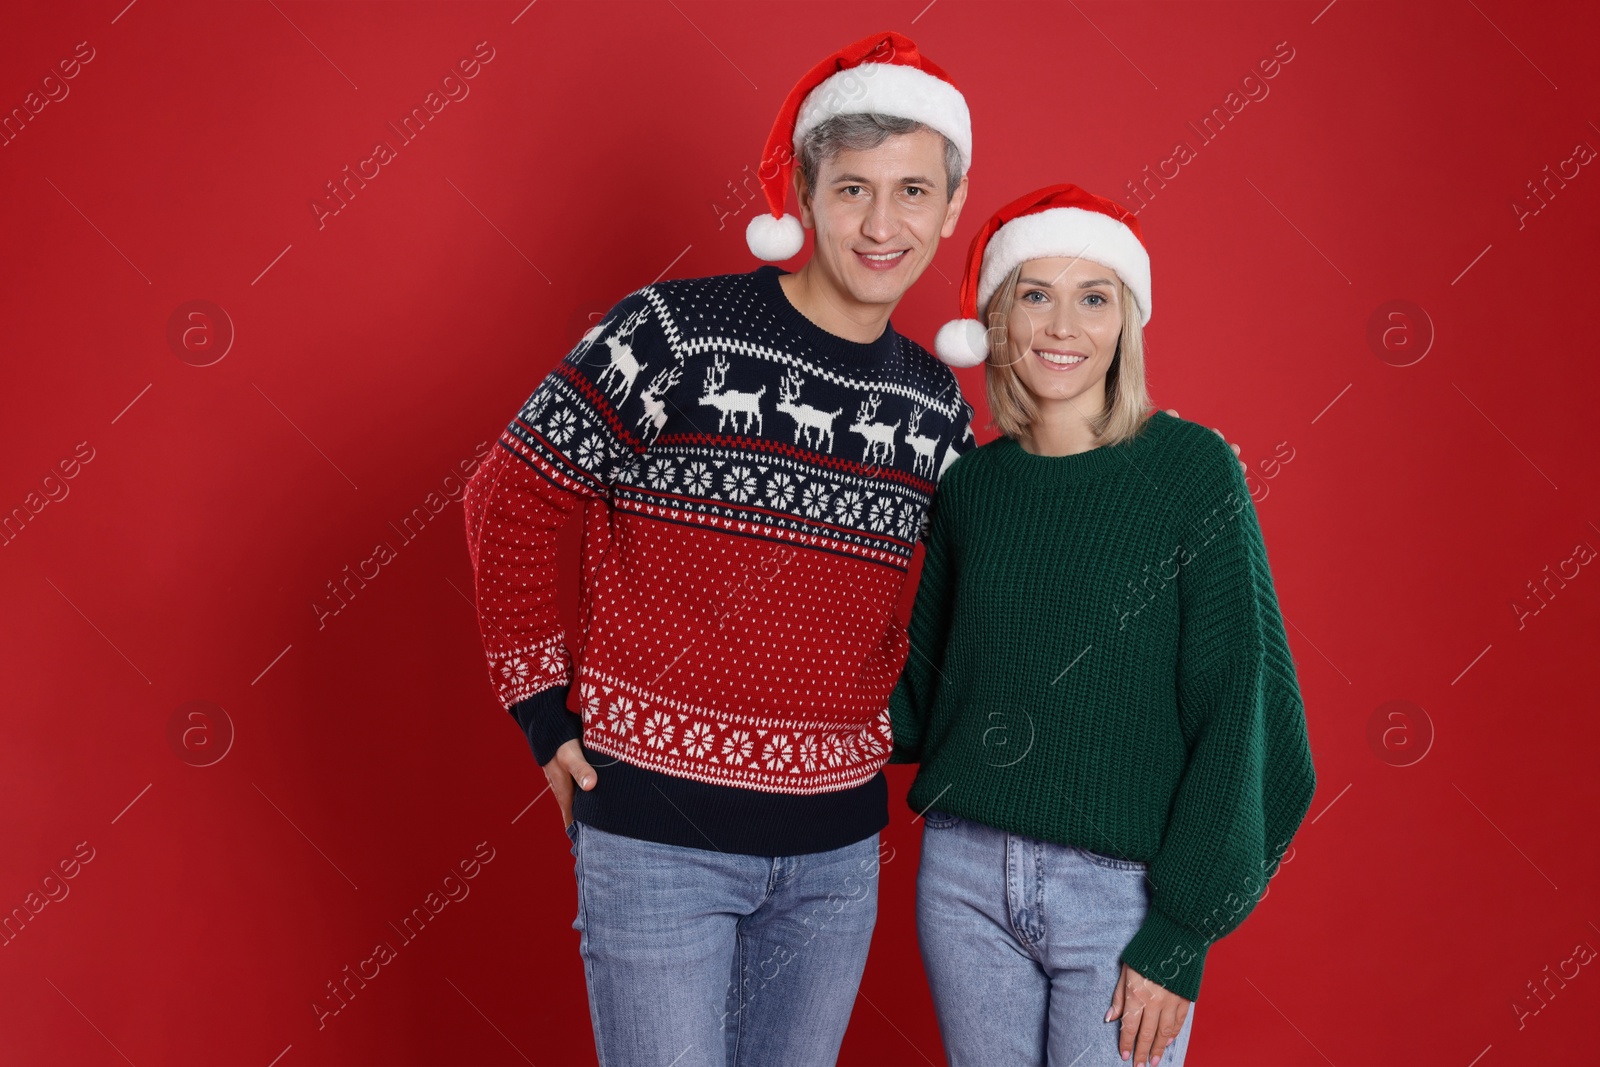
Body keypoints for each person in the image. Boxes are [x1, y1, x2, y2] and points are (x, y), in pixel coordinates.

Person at [462, 31, 983, 1067]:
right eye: (852, 190)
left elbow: (997, 571)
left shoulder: (935, 405)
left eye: (914, 190)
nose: (884, 224)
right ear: (802, 191)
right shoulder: (668, 336)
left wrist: (1158, 473)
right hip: (659, 838)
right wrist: (538, 707)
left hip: (835, 851)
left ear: (952, 207)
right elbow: (506, 497)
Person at [890, 184, 1318, 1067]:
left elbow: (1246, 705)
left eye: (1095, 298)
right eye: (1036, 295)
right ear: (999, 320)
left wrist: (1182, 930)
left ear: (1127, 322)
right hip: (963, 881)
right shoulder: (971, 489)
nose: (1063, 325)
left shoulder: (1191, 471)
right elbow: (921, 698)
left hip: (1122, 894)